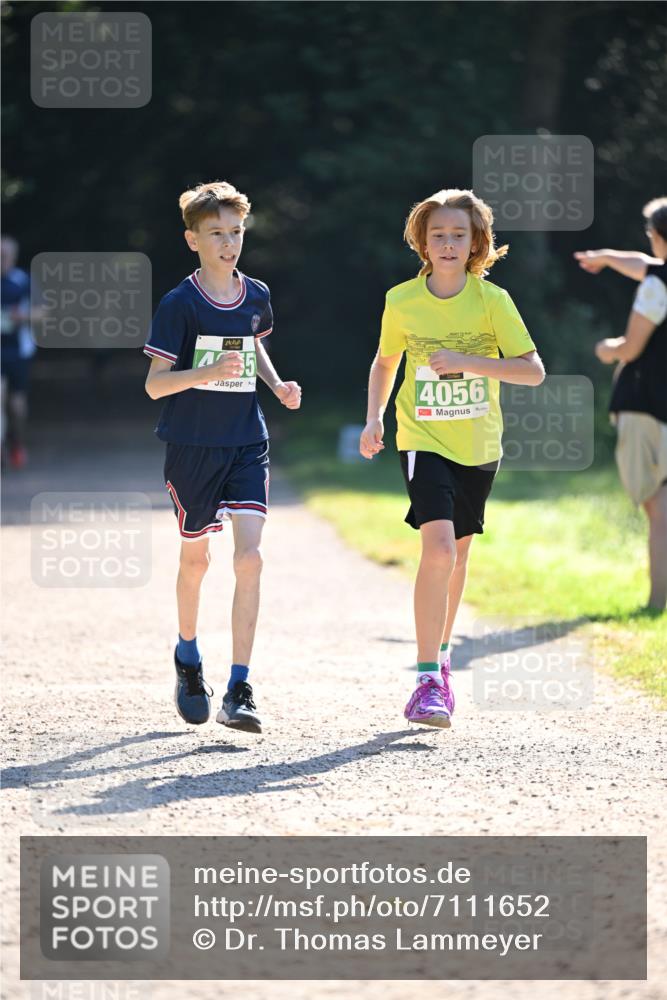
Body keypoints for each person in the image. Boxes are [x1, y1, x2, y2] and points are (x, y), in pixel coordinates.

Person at [360, 188, 545, 728]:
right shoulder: (402, 300)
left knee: (458, 555)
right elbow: (385, 360)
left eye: (457, 235)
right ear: (422, 241)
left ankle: (441, 659)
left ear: (475, 243)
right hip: (422, 437)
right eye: (437, 234)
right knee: (437, 549)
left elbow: (532, 370)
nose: (446, 243)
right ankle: (424, 682)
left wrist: (469, 361)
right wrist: (375, 418)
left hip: (479, 444)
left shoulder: (493, 302)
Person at [144, 181, 301, 733]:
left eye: (236, 232)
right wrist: (206, 375)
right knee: (197, 561)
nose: (229, 242)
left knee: (250, 558)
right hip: (191, 446)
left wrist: (278, 386)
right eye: (216, 233)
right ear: (193, 239)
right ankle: (188, 658)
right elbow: (155, 386)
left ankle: (240, 686)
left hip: (245, 442)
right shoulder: (179, 304)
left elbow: (253, 347)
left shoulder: (255, 293)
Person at [574, 196, 667, 612]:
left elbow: (631, 348)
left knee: (657, 504)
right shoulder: (656, 274)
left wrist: (606, 349)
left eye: (651, 236)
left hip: (647, 405)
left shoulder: (656, 286)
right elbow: (642, 262)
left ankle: (657, 601)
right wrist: (606, 258)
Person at [1, 235, 37, 469]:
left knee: (17, 406)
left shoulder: (24, 281)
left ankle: (18, 444)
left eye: (4, 256)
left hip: (18, 352)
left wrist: (21, 317)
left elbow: (44, 312)